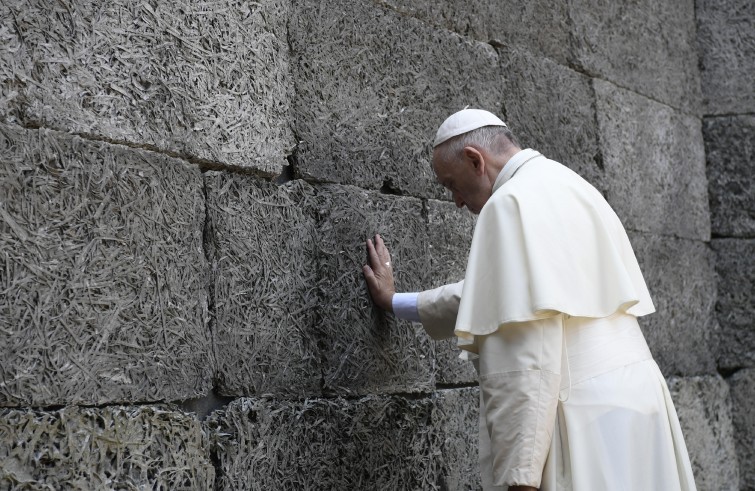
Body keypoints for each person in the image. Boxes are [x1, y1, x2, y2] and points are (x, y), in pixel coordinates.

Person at [362, 109, 696, 490]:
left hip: (581, 413)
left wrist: (521, 472)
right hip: (641, 399)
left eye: (451, 184)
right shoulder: (571, 184)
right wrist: (394, 301)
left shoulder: (508, 204)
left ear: (476, 160)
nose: (455, 201)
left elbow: (525, 350)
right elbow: (501, 297)